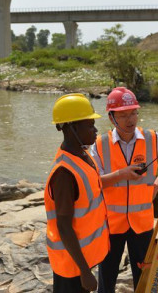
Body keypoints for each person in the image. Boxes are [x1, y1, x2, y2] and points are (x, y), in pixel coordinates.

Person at [89, 87, 158, 293]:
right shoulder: (99, 144)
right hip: (111, 224)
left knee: (144, 279)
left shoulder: (152, 138)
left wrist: (157, 185)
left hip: (142, 224)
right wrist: (121, 174)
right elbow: (94, 182)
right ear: (112, 118)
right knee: (106, 279)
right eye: (124, 115)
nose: (131, 119)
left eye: (134, 113)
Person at [45, 93, 110, 293]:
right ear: (72, 128)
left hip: (82, 257)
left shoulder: (82, 155)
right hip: (71, 265)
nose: (96, 130)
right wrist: (84, 272)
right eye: (90, 125)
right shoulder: (64, 173)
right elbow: (63, 226)